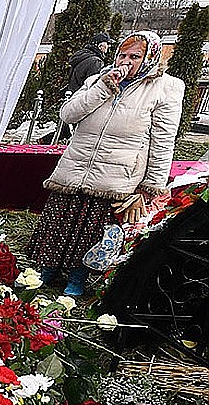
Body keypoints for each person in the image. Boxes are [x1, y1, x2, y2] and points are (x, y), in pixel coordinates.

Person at [28, 31, 184, 297]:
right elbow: (68, 114)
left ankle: (77, 277)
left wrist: (152, 185)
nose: (126, 61)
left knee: (92, 231)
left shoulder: (166, 88)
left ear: (150, 57)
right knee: (60, 221)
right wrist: (103, 87)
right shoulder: (97, 79)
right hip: (76, 165)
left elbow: (163, 141)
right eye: (122, 55)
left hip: (117, 173)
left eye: (135, 56)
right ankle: (48, 268)